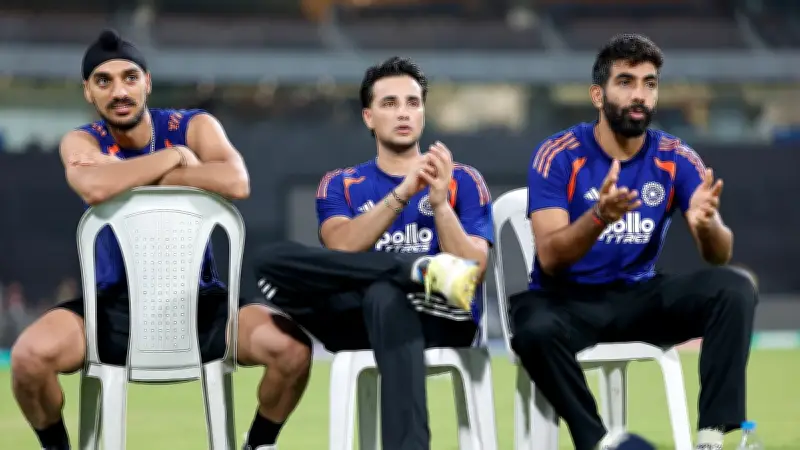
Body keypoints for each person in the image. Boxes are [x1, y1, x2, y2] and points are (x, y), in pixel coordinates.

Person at [9, 29, 312, 450]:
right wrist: (172, 158)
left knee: (293, 350)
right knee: (28, 359)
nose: (119, 91)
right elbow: (93, 187)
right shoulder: (82, 140)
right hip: (111, 308)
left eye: (130, 78)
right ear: (88, 92)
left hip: (202, 304)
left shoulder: (194, 126)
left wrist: (131, 175)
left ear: (147, 83)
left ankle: (258, 444)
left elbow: (236, 181)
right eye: (104, 81)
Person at [511, 34, 758, 450]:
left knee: (734, 288)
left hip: (638, 295)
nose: (639, 94)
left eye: (649, 83)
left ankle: (712, 438)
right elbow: (550, 257)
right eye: (626, 82)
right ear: (598, 95)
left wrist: (707, 225)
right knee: (533, 330)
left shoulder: (675, 156)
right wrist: (598, 218)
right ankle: (603, 442)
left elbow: (720, 254)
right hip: (566, 301)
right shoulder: (558, 154)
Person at [252, 56, 494, 450]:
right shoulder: (341, 184)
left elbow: (472, 272)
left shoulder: (462, 179)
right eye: (389, 103)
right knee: (270, 262)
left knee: (384, 295)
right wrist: (403, 193)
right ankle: (412, 269)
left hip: (442, 316)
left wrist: (439, 204)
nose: (403, 113)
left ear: (423, 112)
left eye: (413, 103)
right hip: (359, 318)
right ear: (369, 117)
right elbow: (343, 246)